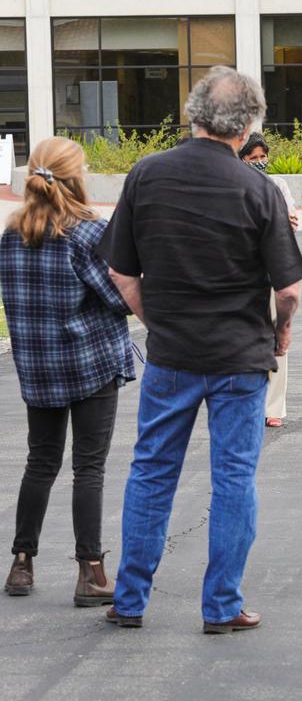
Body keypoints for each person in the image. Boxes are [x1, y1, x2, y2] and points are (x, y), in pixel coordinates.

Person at [97, 66, 302, 633]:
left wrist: (156, 320)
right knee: (234, 479)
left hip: (172, 354)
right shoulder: (259, 188)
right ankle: (221, 605)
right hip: (240, 356)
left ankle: (130, 599)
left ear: (192, 115)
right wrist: (280, 333)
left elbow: (121, 271)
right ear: (246, 127)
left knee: (151, 472)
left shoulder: (146, 175)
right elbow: (288, 290)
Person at [0, 137, 135, 606]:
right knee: (88, 467)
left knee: (40, 461)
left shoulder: (11, 234)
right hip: (88, 363)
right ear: (76, 176)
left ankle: (21, 563)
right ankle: (91, 572)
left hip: (37, 366)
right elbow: (119, 298)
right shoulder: (87, 233)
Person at [238, 131, 299, 428]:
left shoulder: (278, 185)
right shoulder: (234, 187)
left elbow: (290, 222)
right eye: (253, 158)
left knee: (277, 338)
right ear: (242, 160)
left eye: (263, 157)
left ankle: (273, 407)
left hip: (273, 269)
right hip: (243, 273)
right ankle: (248, 404)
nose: (260, 162)